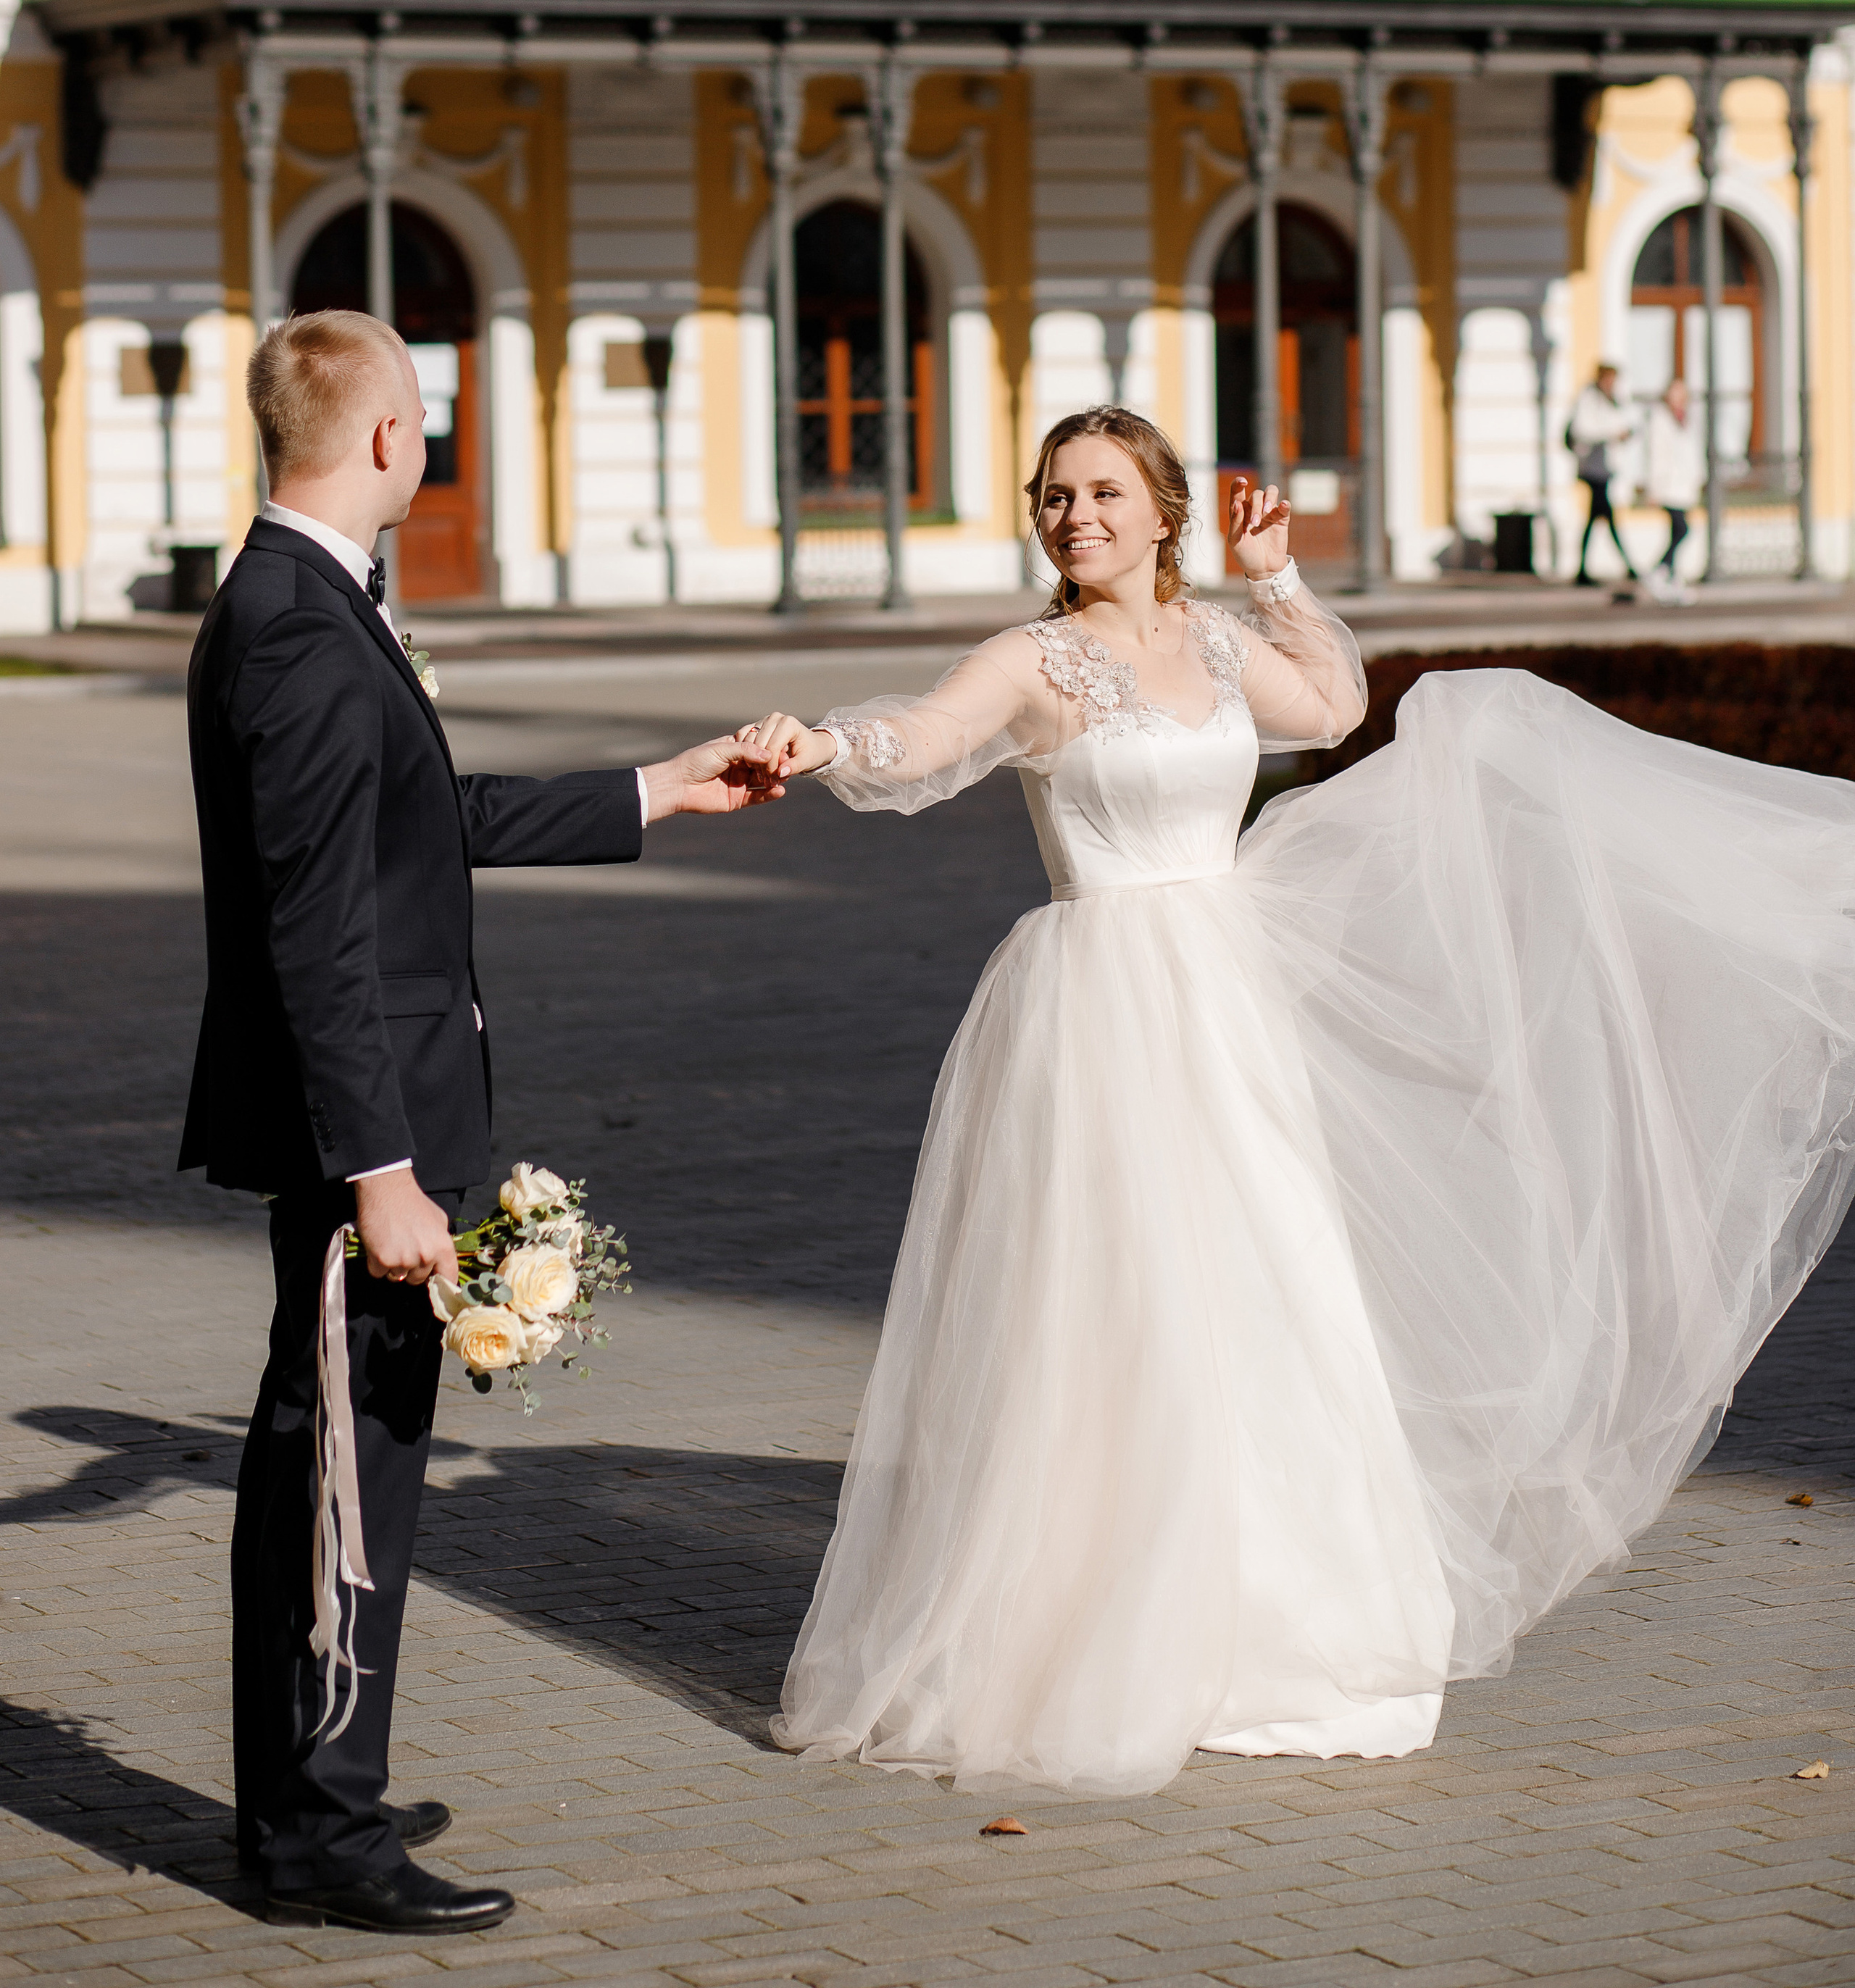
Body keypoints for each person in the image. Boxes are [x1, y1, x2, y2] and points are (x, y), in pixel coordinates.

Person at [737, 406, 1855, 1797]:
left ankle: (1280, 1622)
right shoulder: (1031, 658)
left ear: (1163, 512)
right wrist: (824, 740)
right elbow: (922, 735)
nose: (1075, 516)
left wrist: (1279, 580)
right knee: (1122, 1305)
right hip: (1102, 1005)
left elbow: (1329, 710)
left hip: (1229, 999)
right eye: (1055, 495)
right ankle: (1108, 1622)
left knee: (1269, 1290)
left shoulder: (1213, 642)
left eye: (1103, 493)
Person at [183, 311, 781, 1935]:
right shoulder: (300, 629)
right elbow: (318, 930)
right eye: (423, 413)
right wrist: (379, 1172)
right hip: (363, 1138)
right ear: (388, 435)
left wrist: (655, 788)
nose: (428, 438)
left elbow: (418, 823)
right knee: (344, 1482)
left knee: (332, 1467)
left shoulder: (303, 599)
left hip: (371, 1119)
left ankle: (308, 1798)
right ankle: (324, 1838)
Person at [1569, 361, 1640, 588]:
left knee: (1597, 519)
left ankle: (1583, 569)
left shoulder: (1613, 401)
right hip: (1593, 469)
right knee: (1606, 517)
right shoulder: (1588, 399)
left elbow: (1623, 421)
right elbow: (1582, 430)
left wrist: (1624, 433)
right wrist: (1612, 433)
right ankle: (1627, 566)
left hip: (1606, 468)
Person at [1643, 375, 1702, 603]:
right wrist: (1654, 488)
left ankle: (1673, 580)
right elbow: (1657, 456)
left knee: (1677, 531)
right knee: (1682, 529)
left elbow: (1691, 452)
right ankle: (1660, 571)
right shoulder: (1660, 420)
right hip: (1669, 486)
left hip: (1683, 486)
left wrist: (1698, 478)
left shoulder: (1686, 418)